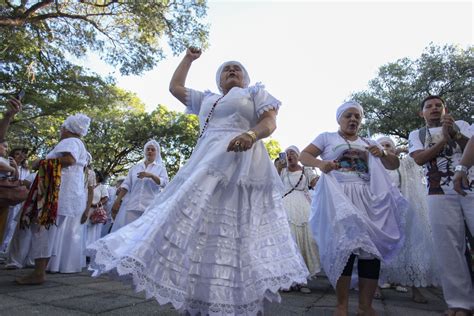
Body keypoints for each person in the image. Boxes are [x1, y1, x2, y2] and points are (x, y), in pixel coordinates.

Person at [87, 48, 309, 315]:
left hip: (241, 163)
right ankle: (198, 299)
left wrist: (251, 134)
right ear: (218, 80)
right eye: (226, 68)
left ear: (246, 78)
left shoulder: (254, 93)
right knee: (197, 226)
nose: (232, 70)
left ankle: (241, 301)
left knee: (237, 229)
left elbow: (270, 122)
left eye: (237, 68)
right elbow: (175, 87)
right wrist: (188, 59)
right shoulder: (207, 98)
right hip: (204, 162)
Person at [299, 101, 406, 316]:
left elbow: (394, 164)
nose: (353, 119)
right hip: (338, 198)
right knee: (344, 250)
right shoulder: (327, 137)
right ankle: (341, 306)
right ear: (339, 119)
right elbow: (304, 155)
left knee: (370, 253)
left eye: (357, 116)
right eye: (348, 115)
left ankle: (365, 307)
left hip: (367, 199)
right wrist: (322, 165)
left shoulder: (369, 141)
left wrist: (383, 154)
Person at [408, 95, 473, 315]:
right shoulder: (417, 134)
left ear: (446, 109)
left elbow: (470, 147)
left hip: (469, 187)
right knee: (448, 246)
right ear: (422, 113)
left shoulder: (463, 125)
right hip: (438, 193)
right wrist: (444, 141)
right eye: (429, 106)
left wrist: (454, 133)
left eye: (438, 105)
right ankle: (459, 303)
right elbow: (419, 158)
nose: (434, 109)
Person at [16, 113, 90, 284]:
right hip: (66, 196)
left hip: (55, 195)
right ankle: (40, 271)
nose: (60, 130)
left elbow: (69, 160)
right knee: (49, 233)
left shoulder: (69, 141)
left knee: (42, 230)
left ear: (67, 129)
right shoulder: (80, 144)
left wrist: (40, 162)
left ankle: (39, 273)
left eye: (62, 127)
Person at [376, 136, 438, 303]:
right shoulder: (373, 166)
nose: (385, 148)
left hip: (402, 213)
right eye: (381, 145)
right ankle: (376, 286)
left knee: (408, 248)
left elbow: (417, 158)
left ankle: (415, 288)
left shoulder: (403, 165)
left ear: (394, 149)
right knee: (377, 249)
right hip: (380, 214)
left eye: (388, 145)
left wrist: (403, 151)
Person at [277, 145, 320, 293]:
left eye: (293, 153)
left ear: (298, 155)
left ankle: (302, 280)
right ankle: (288, 279)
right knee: (288, 242)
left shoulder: (306, 170)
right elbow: (273, 183)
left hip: (303, 208)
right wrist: (278, 167)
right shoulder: (282, 172)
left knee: (305, 241)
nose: (290, 156)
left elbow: (317, 183)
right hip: (285, 209)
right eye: (287, 153)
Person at [110, 140, 169, 231]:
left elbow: (165, 183)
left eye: (153, 150)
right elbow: (126, 185)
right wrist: (117, 201)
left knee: (142, 236)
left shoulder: (161, 169)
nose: (150, 151)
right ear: (145, 151)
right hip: (132, 207)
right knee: (128, 234)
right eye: (148, 149)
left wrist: (151, 175)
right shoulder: (135, 168)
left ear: (157, 152)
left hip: (149, 208)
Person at [82, 170, 109, 247]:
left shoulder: (102, 187)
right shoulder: (86, 185)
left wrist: (97, 205)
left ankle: (88, 249)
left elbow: (106, 198)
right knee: (82, 229)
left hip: (94, 212)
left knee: (92, 232)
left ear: (98, 177)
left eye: (95, 175)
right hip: (84, 210)